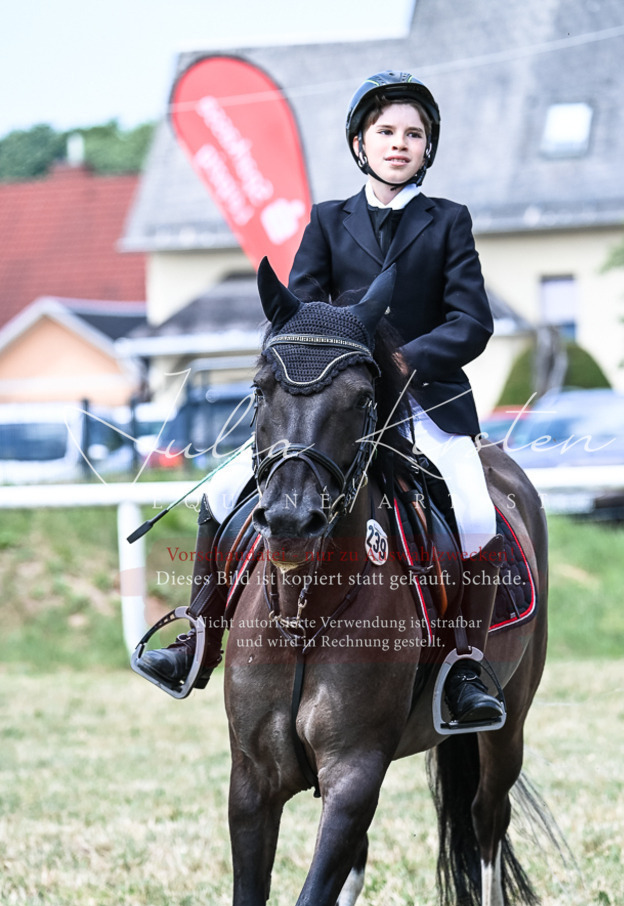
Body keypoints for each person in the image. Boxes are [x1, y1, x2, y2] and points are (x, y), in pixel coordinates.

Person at [135, 70, 503, 729]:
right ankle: (200, 639)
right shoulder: (328, 220)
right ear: (360, 143)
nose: (399, 143)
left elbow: (472, 321)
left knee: (476, 514)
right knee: (219, 494)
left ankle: (464, 667)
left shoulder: (448, 221)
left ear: (428, 146)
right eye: (385, 131)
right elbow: (298, 313)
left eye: (413, 133)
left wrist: (403, 360)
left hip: (423, 399)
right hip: (333, 404)